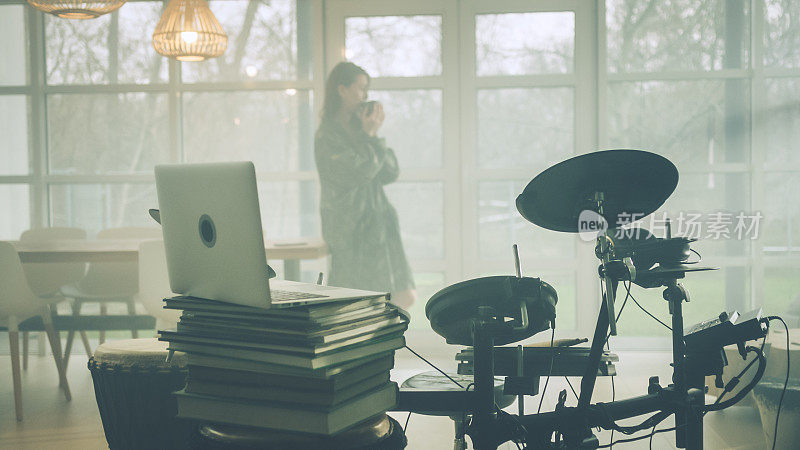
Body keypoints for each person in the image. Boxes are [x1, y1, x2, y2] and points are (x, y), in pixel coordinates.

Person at [314, 61, 417, 310]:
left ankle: (381, 343)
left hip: (379, 226)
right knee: (358, 303)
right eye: (361, 88)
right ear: (342, 90)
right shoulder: (328, 135)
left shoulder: (359, 129)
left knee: (402, 295)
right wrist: (369, 137)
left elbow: (390, 171)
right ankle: (368, 346)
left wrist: (369, 133)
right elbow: (359, 172)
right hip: (352, 229)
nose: (365, 96)